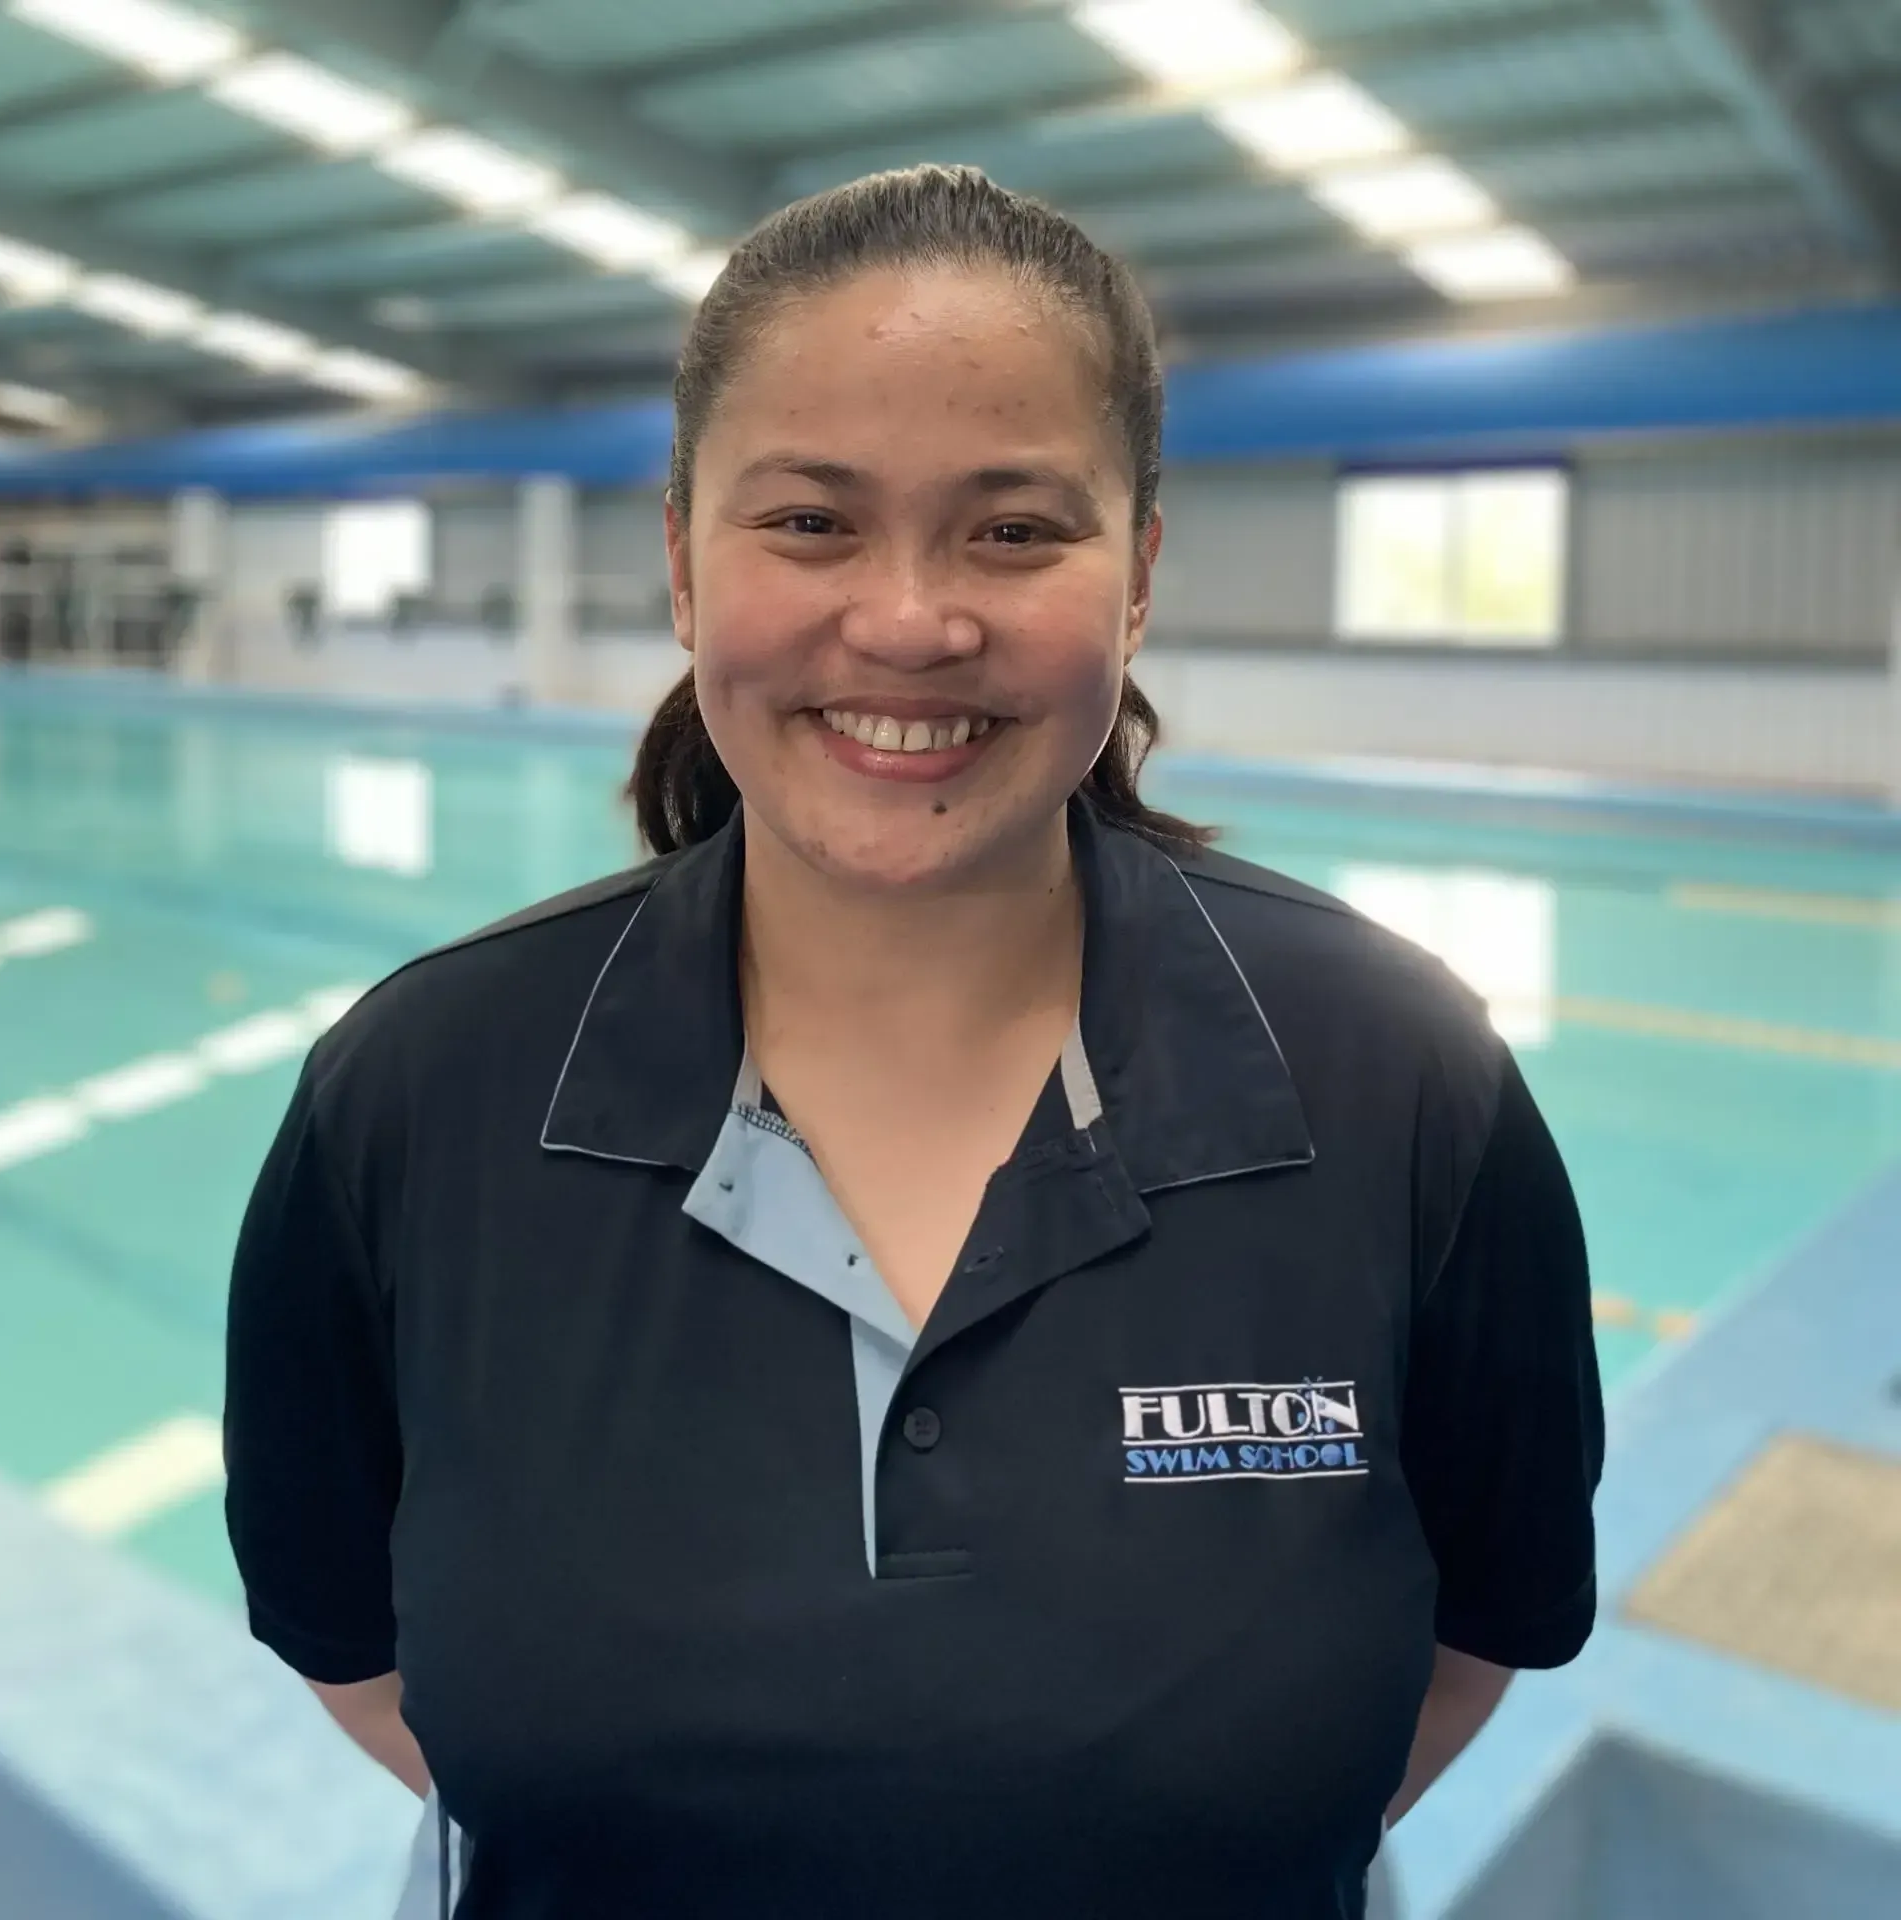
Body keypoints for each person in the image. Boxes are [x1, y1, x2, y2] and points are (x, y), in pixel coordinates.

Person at [224, 165, 1604, 1919]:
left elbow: (1476, 1633)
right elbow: (351, 1640)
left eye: (1015, 528)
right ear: (679, 559)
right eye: (810, 523)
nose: (910, 620)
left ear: (1138, 578)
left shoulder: (1404, 1083)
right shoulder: (418, 1095)